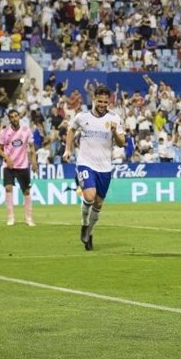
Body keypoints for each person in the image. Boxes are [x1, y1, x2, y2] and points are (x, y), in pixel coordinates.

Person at [63, 85, 125, 251]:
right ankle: (84, 223)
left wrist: (114, 132)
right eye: (100, 101)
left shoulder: (114, 119)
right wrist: (68, 149)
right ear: (94, 99)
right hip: (85, 162)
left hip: (105, 167)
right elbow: (71, 129)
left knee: (98, 204)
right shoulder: (82, 117)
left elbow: (122, 143)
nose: (103, 104)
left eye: (106, 102)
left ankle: (89, 233)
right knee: (89, 196)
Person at [0, 109, 38, 226]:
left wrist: (34, 161)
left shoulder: (26, 130)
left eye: (16, 116)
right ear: (9, 119)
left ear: (19, 117)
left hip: (23, 165)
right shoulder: (4, 132)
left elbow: (32, 147)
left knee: (26, 191)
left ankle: (28, 218)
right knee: (8, 188)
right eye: (12, 117)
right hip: (9, 166)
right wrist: (7, 158)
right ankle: (11, 218)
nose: (14, 118)